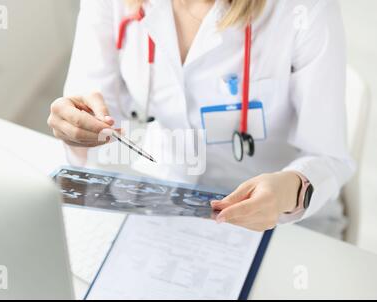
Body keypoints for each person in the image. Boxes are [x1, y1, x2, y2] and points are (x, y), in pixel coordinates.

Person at [47, 0, 354, 238]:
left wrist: (288, 191)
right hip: (161, 200)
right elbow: (92, 112)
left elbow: (328, 156)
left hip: (279, 225)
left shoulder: (305, 10)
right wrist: (76, 128)